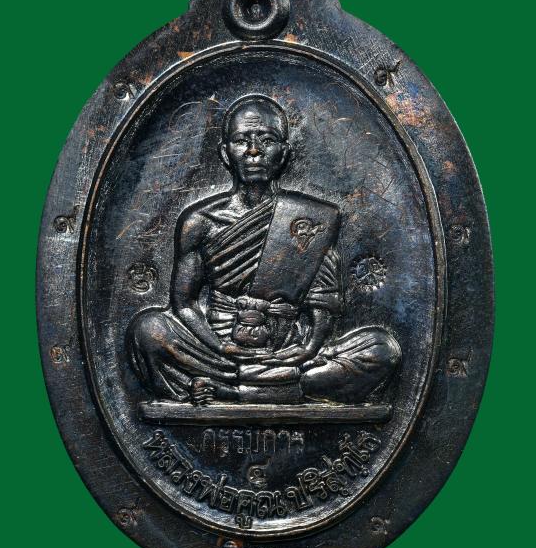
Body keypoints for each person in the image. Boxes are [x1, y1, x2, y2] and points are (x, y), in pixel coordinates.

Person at [127, 95, 400, 405]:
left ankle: (230, 392)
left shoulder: (309, 218)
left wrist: (308, 348)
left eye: (267, 140)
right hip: (219, 351)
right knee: (148, 331)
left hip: (288, 350)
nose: (254, 151)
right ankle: (277, 387)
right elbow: (185, 304)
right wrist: (221, 347)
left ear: (284, 153)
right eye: (242, 141)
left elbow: (322, 302)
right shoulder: (199, 221)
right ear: (226, 153)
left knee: (381, 350)